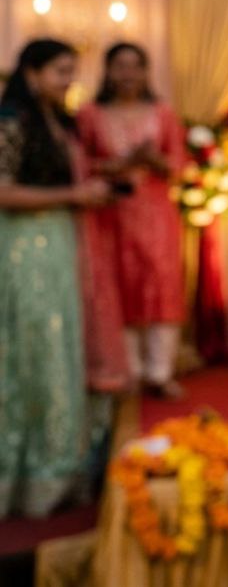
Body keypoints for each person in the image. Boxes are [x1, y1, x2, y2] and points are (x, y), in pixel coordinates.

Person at [0, 39, 113, 518]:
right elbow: (2, 191)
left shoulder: (54, 118)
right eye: (61, 71)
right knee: (35, 349)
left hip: (60, 240)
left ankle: (65, 468)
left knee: (63, 343)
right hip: (25, 245)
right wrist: (75, 194)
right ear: (30, 71)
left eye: (72, 71)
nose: (69, 81)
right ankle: (32, 475)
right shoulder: (10, 120)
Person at [78, 43, 187, 399]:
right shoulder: (90, 115)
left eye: (135, 66)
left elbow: (179, 167)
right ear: (107, 71)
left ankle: (160, 372)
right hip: (110, 213)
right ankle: (129, 371)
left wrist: (152, 160)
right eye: (119, 66)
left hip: (156, 213)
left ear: (146, 71)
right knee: (119, 286)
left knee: (161, 285)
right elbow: (79, 165)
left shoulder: (163, 113)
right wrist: (120, 163)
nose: (127, 74)